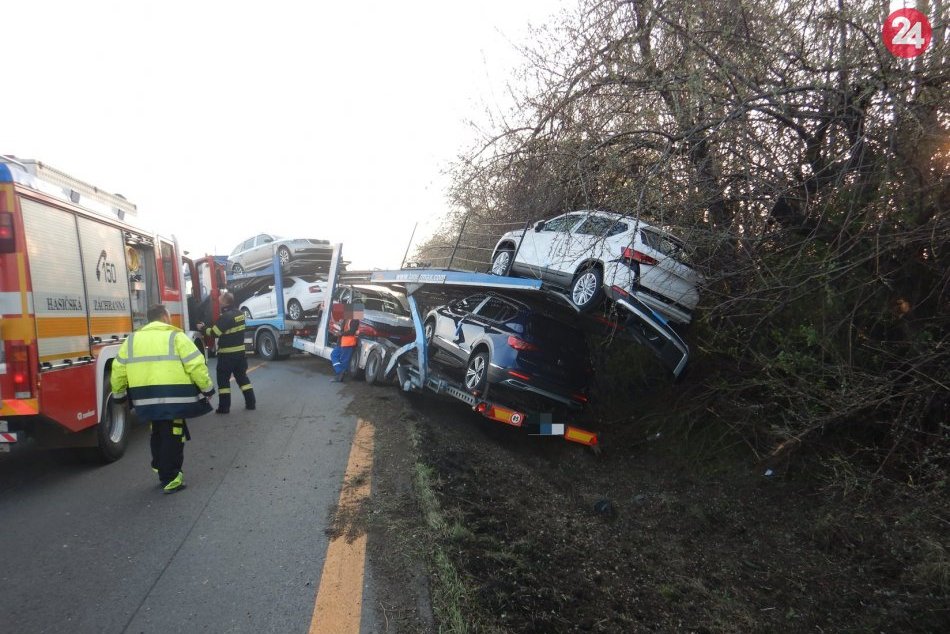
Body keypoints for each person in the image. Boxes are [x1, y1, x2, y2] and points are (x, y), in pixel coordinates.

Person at [111, 304, 215, 494]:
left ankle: (160, 466)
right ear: (165, 317)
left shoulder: (132, 340)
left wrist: (118, 396)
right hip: (174, 396)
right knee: (174, 433)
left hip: (144, 398)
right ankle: (171, 476)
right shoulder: (176, 337)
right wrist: (207, 388)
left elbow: (118, 369)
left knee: (157, 430)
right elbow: (196, 364)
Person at [197, 291, 256, 413]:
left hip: (227, 356)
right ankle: (251, 403)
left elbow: (214, 333)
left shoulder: (225, 317)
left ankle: (224, 408)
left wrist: (202, 328)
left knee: (223, 382)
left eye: (220, 300)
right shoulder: (240, 314)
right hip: (240, 354)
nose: (218, 302)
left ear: (224, 302)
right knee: (243, 379)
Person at [330, 305, 361, 382]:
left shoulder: (355, 320)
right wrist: (339, 334)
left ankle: (340, 376)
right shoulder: (347, 319)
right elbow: (343, 329)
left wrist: (340, 334)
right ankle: (339, 371)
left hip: (348, 343)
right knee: (334, 355)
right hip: (342, 342)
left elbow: (352, 331)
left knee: (344, 360)